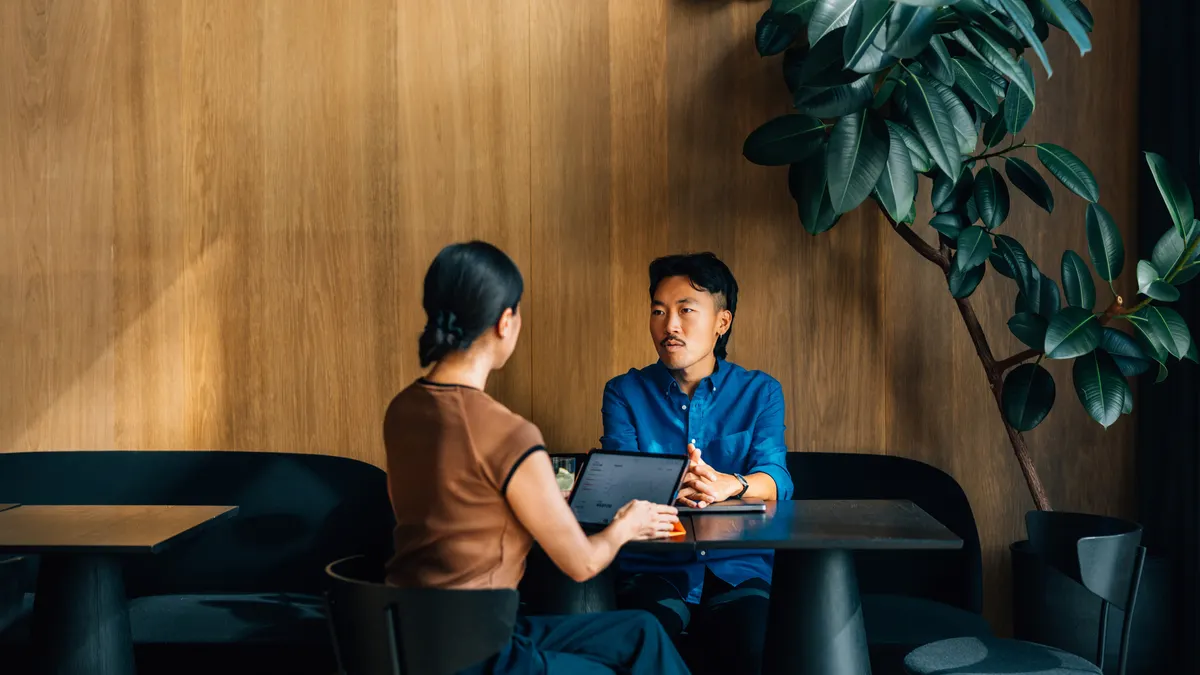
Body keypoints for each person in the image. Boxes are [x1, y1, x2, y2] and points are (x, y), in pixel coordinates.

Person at [383, 241, 691, 675]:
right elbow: (582, 563)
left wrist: (538, 501)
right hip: (479, 652)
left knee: (641, 631)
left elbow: (453, 504)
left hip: (413, 633)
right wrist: (628, 526)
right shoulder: (509, 433)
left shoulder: (402, 408)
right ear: (506, 321)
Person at [599, 252, 794, 675]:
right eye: (659, 311)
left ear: (721, 322)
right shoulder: (623, 393)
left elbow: (776, 477)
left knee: (754, 645)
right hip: (653, 566)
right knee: (641, 640)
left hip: (737, 567)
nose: (669, 325)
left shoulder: (760, 392)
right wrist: (670, 488)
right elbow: (617, 478)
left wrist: (729, 484)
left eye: (686, 310)